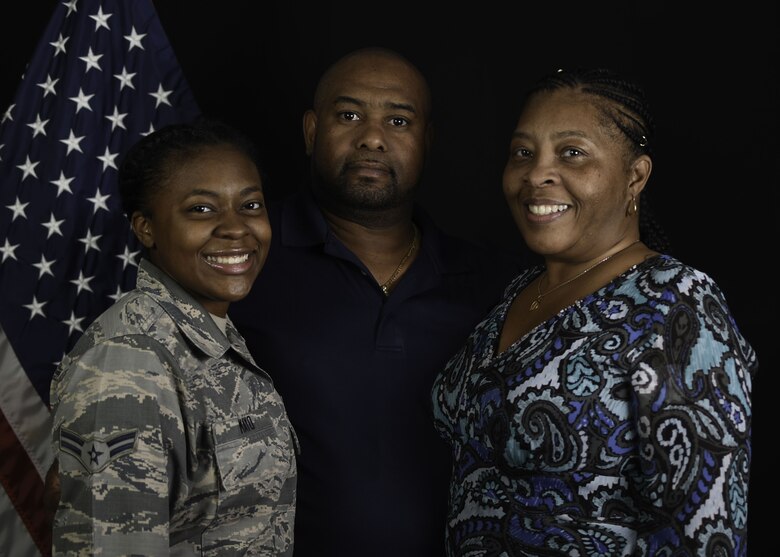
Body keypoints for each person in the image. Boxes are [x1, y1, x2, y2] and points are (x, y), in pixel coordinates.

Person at [431, 67, 757, 556]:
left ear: (635, 176)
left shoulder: (677, 305)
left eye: (572, 153)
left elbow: (705, 533)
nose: (536, 173)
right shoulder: (518, 293)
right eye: (523, 152)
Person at [228, 47, 524, 556]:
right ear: (310, 130)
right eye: (349, 115)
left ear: (426, 141)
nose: (372, 137)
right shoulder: (242, 255)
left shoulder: (494, 284)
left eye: (398, 120)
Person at [49, 118, 297, 555]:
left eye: (251, 205)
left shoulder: (210, 335)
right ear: (146, 228)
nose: (236, 227)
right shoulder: (128, 363)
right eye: (201, 209)